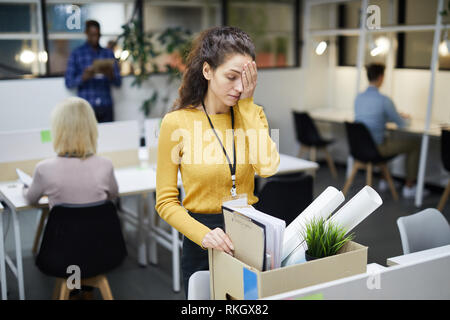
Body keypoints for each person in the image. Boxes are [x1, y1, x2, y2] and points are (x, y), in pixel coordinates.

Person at [155, 26, 280, 297]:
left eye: (245, 79)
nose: (239, 87)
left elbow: (268, 167)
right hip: (203, 237)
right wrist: (203, 235)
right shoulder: (176, 123)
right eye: (231, 77)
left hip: (249, 231)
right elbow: (165, 201)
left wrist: (246, 105)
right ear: (208, 71)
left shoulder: (252, 114)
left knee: (247, 303)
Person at [24, 96, 119, 208]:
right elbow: (113, 194)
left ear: (58, 130)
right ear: (91, 128)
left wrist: (24, 189)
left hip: (61, 226)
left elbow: (31, 199)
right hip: (98, 225)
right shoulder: (105, 165)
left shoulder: (43, 169)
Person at [354, 63, 422, 198]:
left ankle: (385, 180)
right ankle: (409, 186)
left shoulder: (358, 97)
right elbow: (402, 124)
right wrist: (406, 117)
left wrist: (387, 117)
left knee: (388, 139)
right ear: (381, 77)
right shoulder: (384, 100)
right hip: (376, 148)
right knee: (414, 144)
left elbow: (370, 119)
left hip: (360, 147)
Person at [65, 20, 121, 123]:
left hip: (105, 105)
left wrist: (110, 75)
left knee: (109, 136)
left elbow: (118, 82)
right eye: (92, 34)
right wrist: (83, 77)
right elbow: (69, 82)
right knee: (86, 137)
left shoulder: (108, 53)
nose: (95, 37)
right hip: (86, 106)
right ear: (86, 34)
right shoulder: (77, 53)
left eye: (97, 34)